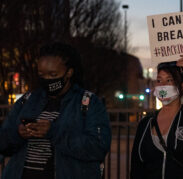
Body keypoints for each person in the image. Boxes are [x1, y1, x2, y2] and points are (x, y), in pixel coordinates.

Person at [0, 43, 111, 179]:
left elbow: (98, 147)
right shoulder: (27, 100)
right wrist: (19, 134)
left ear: (69, 72)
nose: (47, 79)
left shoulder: (88, 102)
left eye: (53, 74)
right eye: (42, 74)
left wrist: (54, 132)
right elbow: (3, 142)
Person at [131, 55, 183, 179]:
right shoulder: (146, 123)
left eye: (169, 80)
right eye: (159, 80)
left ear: (182, 86)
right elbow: (136, 167)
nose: (162, 85)